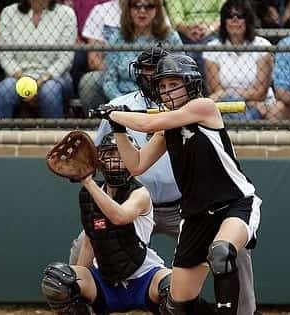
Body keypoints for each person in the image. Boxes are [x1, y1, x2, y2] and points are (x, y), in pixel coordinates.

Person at [73, 47, 260, 315]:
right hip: (195, 216)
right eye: (163, 85)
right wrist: (118, 129)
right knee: (177, 303)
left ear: (190, 84)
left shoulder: (202, 107)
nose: (168, 90)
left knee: (222, 252)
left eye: (175, 84)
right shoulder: (165, 127)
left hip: (233, 204)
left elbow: (147, 125)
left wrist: (116, 113)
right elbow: (136, 165)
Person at [41, 133, 214, 315]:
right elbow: (89, 242)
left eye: (122, 155)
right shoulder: (88, 194)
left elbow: (120, 217)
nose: (116, 161)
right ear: (99, 160)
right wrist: (79, 285)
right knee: (58, 280)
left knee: (172, 291)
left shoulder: (140, 193)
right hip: (104, 278)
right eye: (110, 155)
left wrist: (88, 182)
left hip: (143, 275)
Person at [0, 0, 76, 118]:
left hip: (55, 76)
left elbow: (65, 57)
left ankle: (53, 135)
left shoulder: (66, 14)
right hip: (18, 76)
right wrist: (26, 82)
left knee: (49, 91)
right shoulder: (9, 12)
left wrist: (39, 82)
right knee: (3, 90)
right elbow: (6, 56)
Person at [203, 0, 275, 120]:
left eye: (240, 16)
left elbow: (260, 93)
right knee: (230, 111)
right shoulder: (212, 48)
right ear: (223, 21)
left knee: (231, 117)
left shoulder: (262, 45)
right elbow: (216, 90)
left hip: (259, 105)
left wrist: (228, 92)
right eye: (229, 16)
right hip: (226, 104)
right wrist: (239, 97)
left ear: (248, 20)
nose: (234, 20)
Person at [102, 0, 182, 102]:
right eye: (136, 5)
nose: (142, 11)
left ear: (157, 9)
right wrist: (121, 102)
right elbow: (109, 81)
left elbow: (180, 75)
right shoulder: (117, 38)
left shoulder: (170, 37)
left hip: (163, 99)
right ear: (128, 9)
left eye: (149, 6)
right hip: (125, 97)